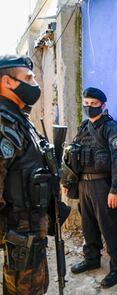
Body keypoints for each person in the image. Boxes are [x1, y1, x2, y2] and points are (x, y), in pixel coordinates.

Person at [61, 87, 117, 288]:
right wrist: (68, 182)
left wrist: (115, 189)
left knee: (111, 228)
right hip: (83, 184)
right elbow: (73, 155)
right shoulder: (83, 128)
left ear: (103, 105)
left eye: (94, 104)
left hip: (103, 184)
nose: (89, 107)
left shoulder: (111, 128)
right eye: (87, 103)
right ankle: (92, 258)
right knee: (88, 225)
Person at [0, 55, 50, 294]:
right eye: (28, 77)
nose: (35, 83)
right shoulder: (4, 124)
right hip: (19, 233)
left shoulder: (21, 121)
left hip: (31, 230)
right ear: (8, 83)